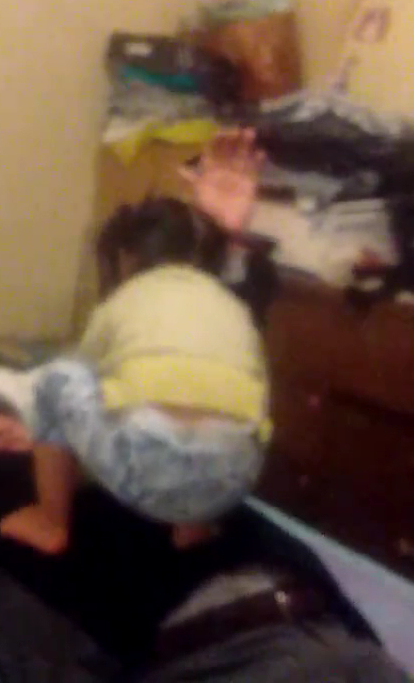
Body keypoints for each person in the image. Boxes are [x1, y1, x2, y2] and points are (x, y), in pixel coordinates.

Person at [0, 104, 414, 682]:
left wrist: (220, 241)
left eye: (18, 425)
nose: (17, 434)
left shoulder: (121, 453)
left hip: (339, 637)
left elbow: (212, 381)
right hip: (213, 661)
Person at [28, 193, 271, 551]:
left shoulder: (123, 299)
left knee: (57, 377)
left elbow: (88, 375)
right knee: (214, 403)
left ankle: (50, 523)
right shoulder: (233, 305)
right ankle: (193, 530)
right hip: (233, 480)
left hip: (145, 474)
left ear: (127, 258)